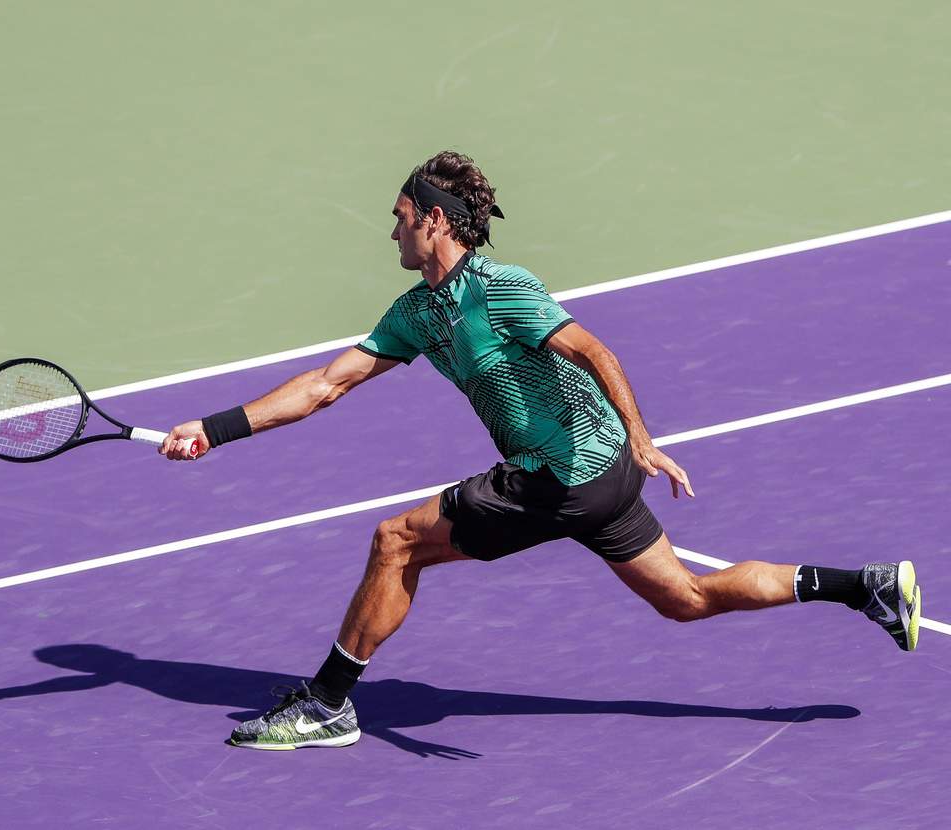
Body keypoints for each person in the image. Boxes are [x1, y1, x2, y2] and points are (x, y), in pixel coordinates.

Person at [159, 150, 922, 751]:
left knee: (395, 542)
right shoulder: (418, 312)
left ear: (434, 220)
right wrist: (213, 427)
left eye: (398, 217)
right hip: (602, 478)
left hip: (563, 475)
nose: (390, 231)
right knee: (685, 598)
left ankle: (326, 705)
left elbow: (594, 349)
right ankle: (866, 586)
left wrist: (645, 437)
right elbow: (328, 383)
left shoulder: (498, 288)